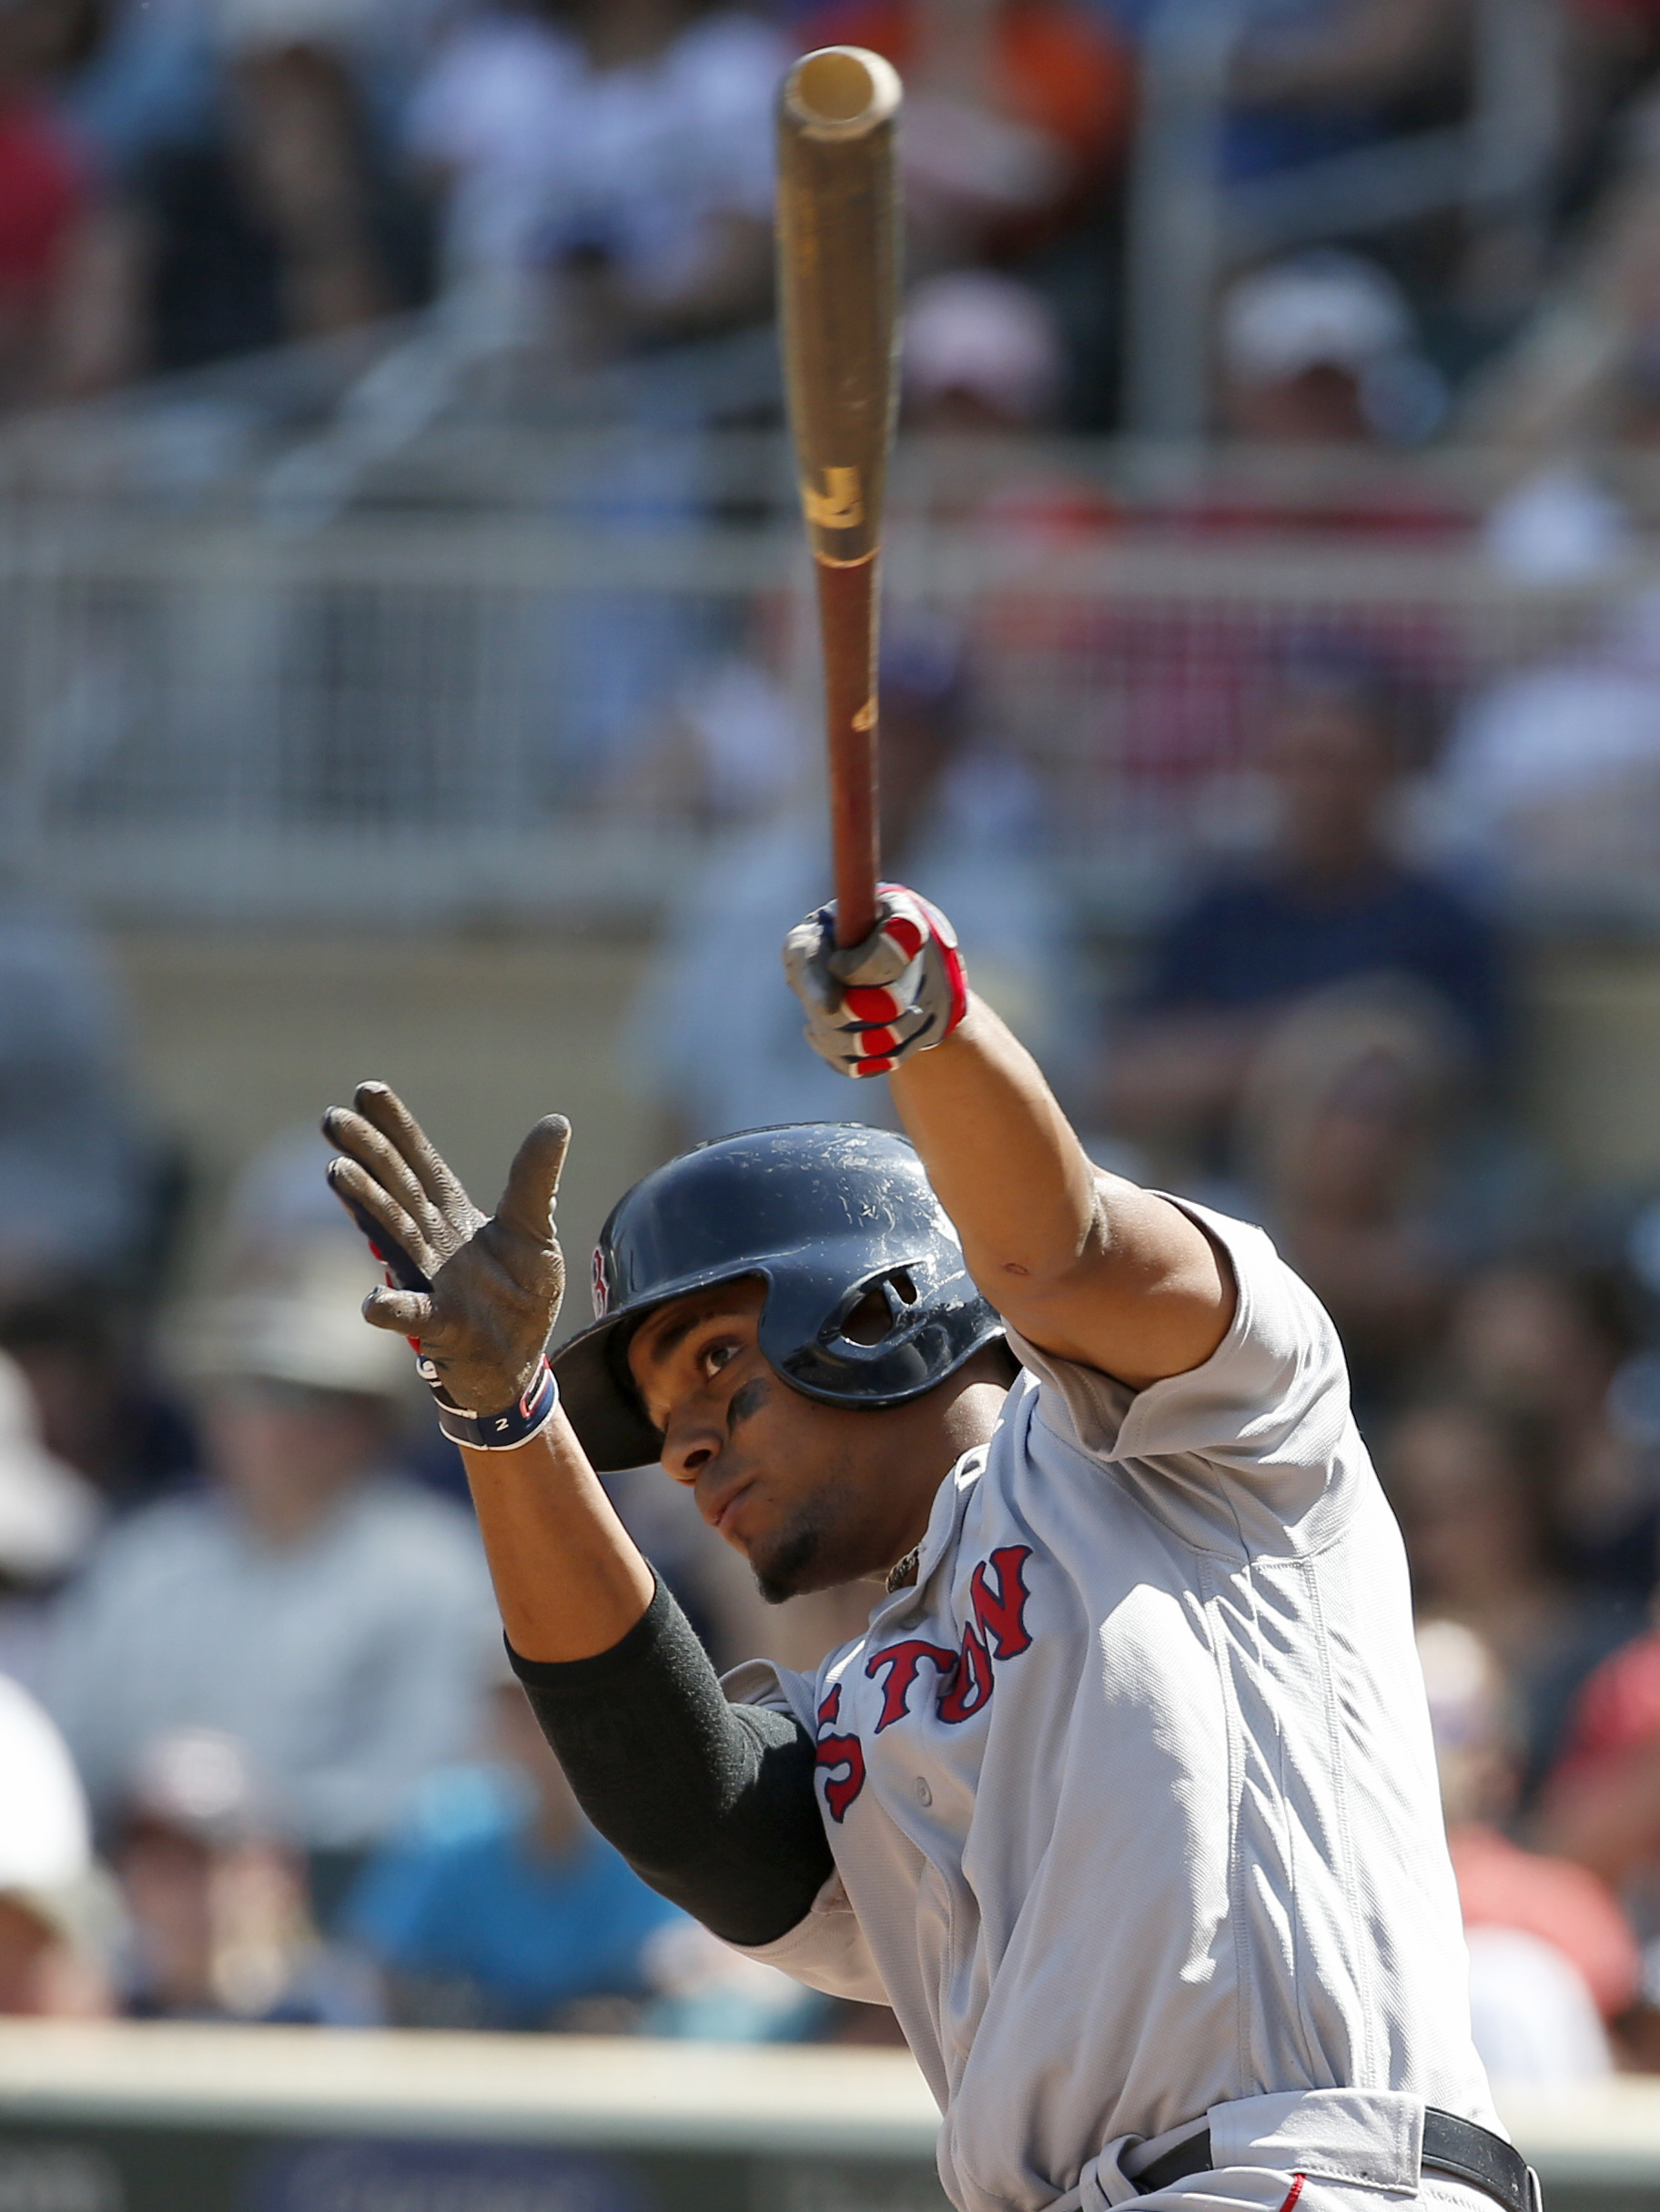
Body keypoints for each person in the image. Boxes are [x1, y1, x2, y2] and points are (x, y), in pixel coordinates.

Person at [325, 865, 1520, 2212]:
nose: (687, 1443)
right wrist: (507, 1420)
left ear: (881, 1302)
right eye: (661, 1418)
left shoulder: (1187, 1443)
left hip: (1298, 2170)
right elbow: (697, 1811)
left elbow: (1060, 1257)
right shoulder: (870, 1710)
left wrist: (934, 1025)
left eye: (716, 1360)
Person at [43, 1236, 497, 1909]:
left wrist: (240, 1840)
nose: (273, 1423)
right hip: (139, 1896)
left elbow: (433, 1790)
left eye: (311, 1395)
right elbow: (70, 1753)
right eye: (252, 1390)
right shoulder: (145, 1560)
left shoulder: (436, 1570)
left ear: (368, 1417)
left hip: (350, 1908)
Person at [1106, 651, 1509, 1190]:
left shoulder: (1442, 921)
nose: (1320, 787)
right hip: (1222, 1198)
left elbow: (1456, 1085)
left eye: (1342, 764)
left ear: (1392, 768)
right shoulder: (1217, 910)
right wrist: (1321, 1041)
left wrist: (1237, 1064)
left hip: (1395, 1208)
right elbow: (1133, 1079)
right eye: (1300, 761)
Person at [346, 1672, 811, 2036]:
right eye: (522, 1713)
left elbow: (690, 1964)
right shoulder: (443, 1823)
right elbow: (374, 1970)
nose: (545, 1735)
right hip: (458, 2085)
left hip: (609, 2091)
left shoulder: (651, 1828)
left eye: (559, 1711)